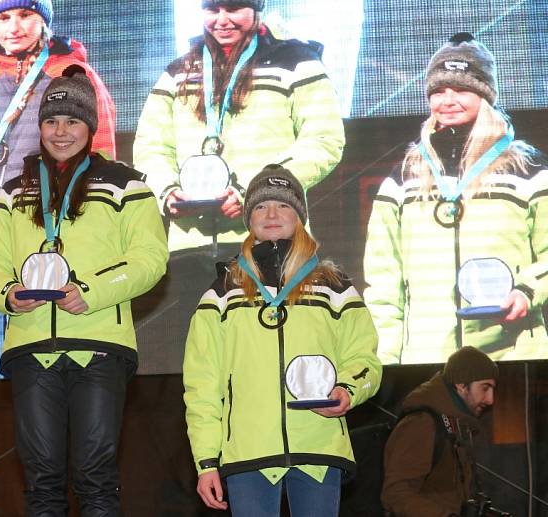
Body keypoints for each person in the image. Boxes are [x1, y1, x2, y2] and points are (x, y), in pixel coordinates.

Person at [0, 66, 168, 515]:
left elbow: (150, 259)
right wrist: (7, 292)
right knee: (41, 484)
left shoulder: (125, 183)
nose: (61, 132)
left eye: (72, 121)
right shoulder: (11, 191)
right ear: (39, 127)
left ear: (91, 127)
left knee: (96, 480)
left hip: (99, 346)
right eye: (51, 121)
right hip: (31, 345)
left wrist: (91, 291)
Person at [132, 0, 345, 371]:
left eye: (234, 8)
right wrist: (167, 191)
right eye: (213, 9)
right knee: (201, 367)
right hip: (189, 247)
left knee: (269, 361)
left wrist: (255, 194)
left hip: (270, 241)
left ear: (257, 8)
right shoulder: (178, 71)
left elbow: (324, 141)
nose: (222, 20)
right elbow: (150, 146)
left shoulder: (297, 60)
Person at [0, 0, 117, 380]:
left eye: (26, 15)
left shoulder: (72, 76)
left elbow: (101, 159)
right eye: (4, 17)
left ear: (44, 20)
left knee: (38, 390)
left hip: (45, 259)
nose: (14, 26)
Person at [183, 165, 381, 517]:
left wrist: (349, 390)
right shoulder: (222, 293)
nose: (271, 214)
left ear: (300, 217)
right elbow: (203, 385)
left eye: (283, 205)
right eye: (260, 206)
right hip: (247, 454)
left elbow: (364, 359)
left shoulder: (334, 287)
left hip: (318, 447)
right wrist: (206, 461)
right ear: (248, 218)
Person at [363, 32, 548, 365]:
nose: (447, 100)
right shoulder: (403, 176)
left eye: (461, 89)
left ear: (486, 95)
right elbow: (383, 283)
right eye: (438, 90)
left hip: (513, 355)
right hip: (428, 360)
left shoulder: (528, 168)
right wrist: (387, 363)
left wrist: (528, 290)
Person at [382, 346, 499, 516]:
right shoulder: (422, 423)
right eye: (485, 388)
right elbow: (396, 494)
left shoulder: (456, 424)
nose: (490, 399)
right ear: (461, 385)